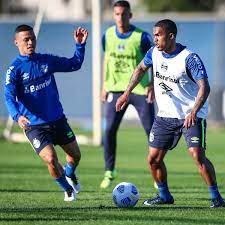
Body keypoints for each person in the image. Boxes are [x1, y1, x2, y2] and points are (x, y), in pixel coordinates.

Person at [116, 19, 225, 208]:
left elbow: (204, 87)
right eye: (154, 35)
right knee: (153, 159)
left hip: (190, 116)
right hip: (165, 116)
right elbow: (141, 68)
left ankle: (216, 197)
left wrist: (194, 111)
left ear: (171, 36)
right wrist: (126, 93)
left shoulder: (189, 58)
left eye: (158, 35)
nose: (155, 39)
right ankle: (164, 195)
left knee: (197, 156)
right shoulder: (154, 53)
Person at [4, 24, 88, 202]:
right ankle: (68, 190)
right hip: (34, 126)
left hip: (58, 120)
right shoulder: (14, 70)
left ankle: (70, 174)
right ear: (16, 42)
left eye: (32, 38)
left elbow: (74, 64)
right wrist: (17, 116)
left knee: (75, 156)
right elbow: (9, 98)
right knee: (51, 159)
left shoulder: (46, 61)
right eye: (25, 39)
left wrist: (80, 46)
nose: (30, 42)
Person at [100, 0, 155, 189]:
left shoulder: (142, 37)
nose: (120, 17)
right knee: (108, 130)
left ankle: (157, 173)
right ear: (113, 15)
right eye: (117, 14)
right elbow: (106, 60)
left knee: (152, 132)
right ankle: (109, 171)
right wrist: (104, 86)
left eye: (124, 14)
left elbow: (154, 61)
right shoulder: (107, 35)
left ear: (130, 15)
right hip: (115, 90)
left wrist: (152, 86)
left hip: (140, 90)